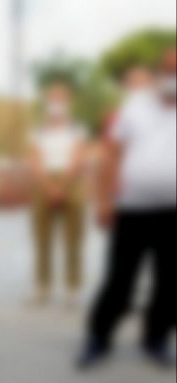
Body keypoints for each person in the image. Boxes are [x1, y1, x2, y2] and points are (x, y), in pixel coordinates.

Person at [78, 48, 176, 369]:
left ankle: (156, 339)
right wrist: (104, 200)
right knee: (121, 278)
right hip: (133, 208)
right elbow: (112, 154)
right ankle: (99, 337)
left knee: (169, 281)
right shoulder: (137, 107)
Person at [27, 81, 88, 306]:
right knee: (42, 239)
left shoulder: (77, 127)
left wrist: (61, 187)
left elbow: (79, 157)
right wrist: (48, 186)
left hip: (72, 182)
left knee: (73, 238)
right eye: (53, 99)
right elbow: (34, 158)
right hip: (43, 183)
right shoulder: (38, 128)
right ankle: (42, 288)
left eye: (61, 99)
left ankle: (73, 288)